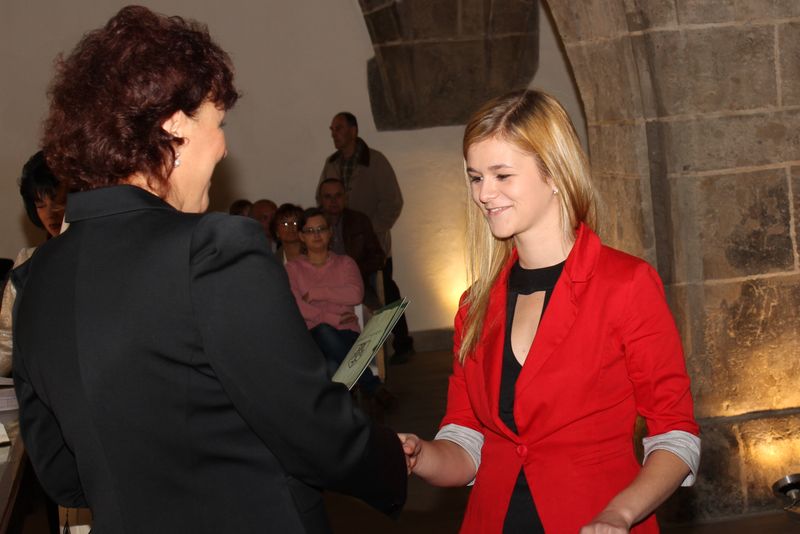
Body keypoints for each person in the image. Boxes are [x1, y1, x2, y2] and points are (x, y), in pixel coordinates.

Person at [11, 7, 406, 533]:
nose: (223, 147)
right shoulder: (212, 251)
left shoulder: (36, 280)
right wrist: (395, 459)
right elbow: (310, 425)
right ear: (174, 127)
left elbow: (62, 474)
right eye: (218, 123)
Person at [398, 90, 700, 534]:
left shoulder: (625, 284)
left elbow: (675, 435)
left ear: (555, 172)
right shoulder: (474, 305)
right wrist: (419, 454)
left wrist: (619, 513)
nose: (484, 194)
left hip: (596, 520)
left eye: (502, 175)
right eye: (476, 177)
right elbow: (466, 442)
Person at [320, 112, 414, 361]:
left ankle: (402, 343)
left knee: (386, 292)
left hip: (373, 245)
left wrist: (368, 230)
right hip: (339, 247)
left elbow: (393, 202)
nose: (334, 134)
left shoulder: (375, 161)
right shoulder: (332, 163)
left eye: (338, 128)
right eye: (332, 130)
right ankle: (355, 351)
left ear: (353, 130)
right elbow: (323, 197)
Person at [285, 208, 395, 411]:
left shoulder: (345, 263)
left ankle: (344, 410)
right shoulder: (292, 269)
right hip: (312, 338)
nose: (316, 235)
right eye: (310, 231)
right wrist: (332, 318)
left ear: (330, 232)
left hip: (347, 335)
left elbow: (355, 295)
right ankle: (372, 386)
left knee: (332, 366)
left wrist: (317, 293)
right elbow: (297, 307)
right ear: (301, 236)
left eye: (321, 229)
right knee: (323, 330)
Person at [0, 150, 66, 377]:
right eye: (40, 204)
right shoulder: (27, 262)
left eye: (57, 201)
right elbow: (6, 339)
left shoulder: (99, 256)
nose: (50, 213)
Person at [317, 178, 385, 309]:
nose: (333, 201)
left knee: (377, 314)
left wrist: (353, 270)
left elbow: (378, 257)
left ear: (346, 198)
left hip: (357, 283)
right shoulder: (312, 223)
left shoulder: (360, 220)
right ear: (320, 200)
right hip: (322, 286)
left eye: (338, 195)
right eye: (328, 197)